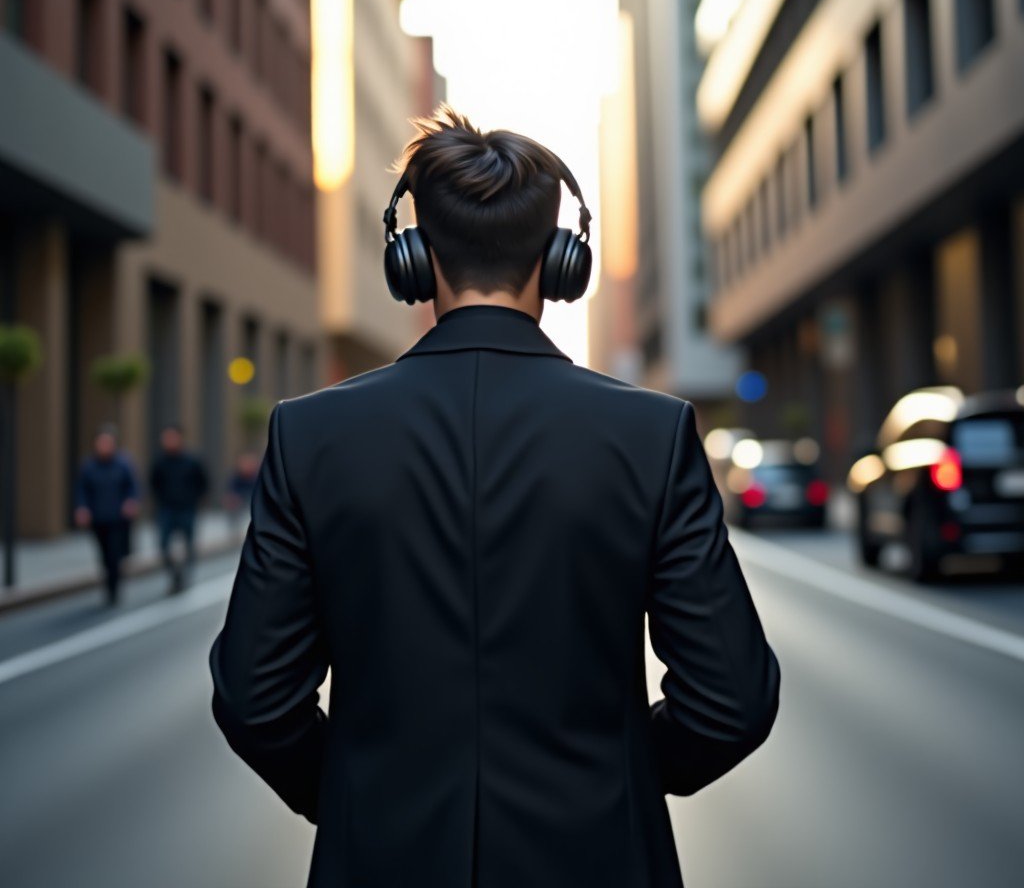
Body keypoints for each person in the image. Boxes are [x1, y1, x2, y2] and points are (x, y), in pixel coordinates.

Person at [209, 104, 781, 888]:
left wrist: (354, 796)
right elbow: (732, 702)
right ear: (560, 260)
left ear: (414, 257)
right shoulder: (654, 435)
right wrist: (617, 780)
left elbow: (254, 700)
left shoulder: (309, 436)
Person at [74, 425, 141, 607]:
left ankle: (114, 588)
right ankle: (110, 581)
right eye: (101, 442)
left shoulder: (123, 464)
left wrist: (131, 501)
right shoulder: (89, 466)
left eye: (107, 442)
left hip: (117, 519)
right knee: (104, 554)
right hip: (98, 518)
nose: (104, 446)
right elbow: (82, 489)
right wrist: (82, 508)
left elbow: (132, 486)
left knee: (114, 554)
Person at [149, 422, 209, 593]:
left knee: (188, 544)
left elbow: (203, 482)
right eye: (166, 438)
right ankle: (174, 574)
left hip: (187, 508)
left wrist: (196, 500)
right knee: (163, 544)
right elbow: (153, 483)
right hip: (166, 509)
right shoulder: (159, 461)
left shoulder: (192, 461)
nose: (169, 441)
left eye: (172, 437)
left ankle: (185, 575)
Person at [223, 450, 259, 537]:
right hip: (240, 504)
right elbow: (231, 492)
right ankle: (235, 532)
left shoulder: (258, 478)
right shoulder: (236, 478)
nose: (246, 466)